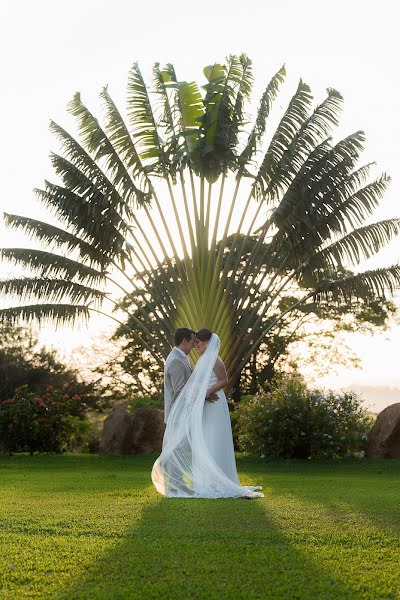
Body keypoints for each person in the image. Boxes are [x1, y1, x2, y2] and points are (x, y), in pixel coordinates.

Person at [152, 329, 263, 499]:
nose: (194, 345)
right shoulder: (177, 360)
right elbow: (181, 390)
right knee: (179, 447)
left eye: (198, 342)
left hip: (210, 404)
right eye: (193, 341)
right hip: (185, 409)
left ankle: (194, 483)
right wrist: (203, 395)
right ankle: (176, 486)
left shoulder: (203, 359)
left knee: (205, 441)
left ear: (207, 343)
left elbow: (222, 380)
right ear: (184, 341)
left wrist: (206, 393)